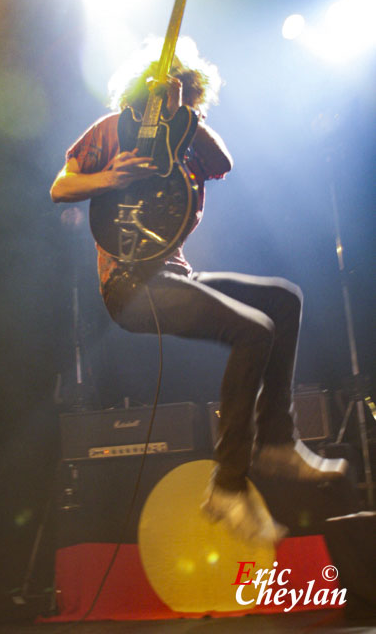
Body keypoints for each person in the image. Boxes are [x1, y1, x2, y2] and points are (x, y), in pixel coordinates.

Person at [51, 38, 346, 544]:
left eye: (180, 93)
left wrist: (183, 110)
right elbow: (61, 186)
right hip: (129, 284)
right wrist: (108, 176)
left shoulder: (189, 138)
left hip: (174, 275)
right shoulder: (111, 130)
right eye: (158, 93)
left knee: (284, 299)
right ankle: (228, 485)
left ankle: (276, 440)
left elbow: (223, 163)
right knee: (254, 332)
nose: (162, 103)